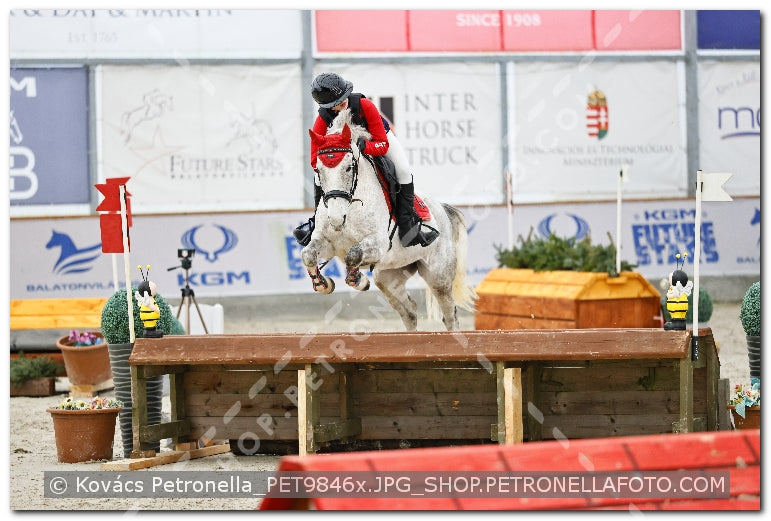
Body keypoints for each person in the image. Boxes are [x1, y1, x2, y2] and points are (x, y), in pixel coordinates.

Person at [294, 72, 439, 248]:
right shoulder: (323, 119)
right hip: (346, 153)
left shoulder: (365, 105)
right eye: (336, 102)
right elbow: (314, 160)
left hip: (377, 140)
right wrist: (332, 162)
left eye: (344, 95)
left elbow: (383, 144)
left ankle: (407, 223)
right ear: (329, 107)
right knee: (318, 176)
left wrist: (363, 147)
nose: (343, 101)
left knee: (402, 170)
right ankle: (316, 223)